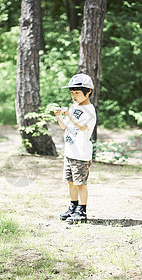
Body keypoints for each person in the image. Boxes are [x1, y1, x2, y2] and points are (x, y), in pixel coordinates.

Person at [53, 74, 96, 223]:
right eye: (72, 93)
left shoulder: (90, 110)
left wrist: (70, 115)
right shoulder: (73, 107)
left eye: (77, 92)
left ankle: (82, 211)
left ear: (88, 91)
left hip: (81, 154)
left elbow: (82, 127)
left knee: (80, 183)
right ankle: (73, 206)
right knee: (70, 182)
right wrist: (59, 116)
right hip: (70, 152)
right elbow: (65, 126)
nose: (74, 96)